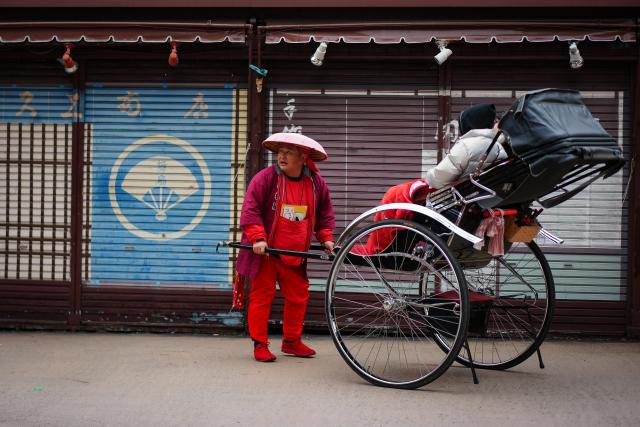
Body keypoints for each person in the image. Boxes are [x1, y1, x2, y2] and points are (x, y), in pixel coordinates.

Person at [352, 103, 507, 256]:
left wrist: (429, 176)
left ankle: (377, 247)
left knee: (394, 194)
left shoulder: (468, 145)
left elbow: (437, 180)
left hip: (451, 203)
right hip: (473, 201)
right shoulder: (498, 148)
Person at [236, 132, 336, 362]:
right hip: (266, 253)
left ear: (303, 157)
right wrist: (258, 238)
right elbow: (250, 210)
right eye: (280, 151)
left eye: (289, 152)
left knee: (299, 296)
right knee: (262, 296)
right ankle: (260, 344)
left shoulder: (316, 183)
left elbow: (324, 214)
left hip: (295, 253)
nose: (282, 155)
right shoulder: (265, 178)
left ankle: (291, 341)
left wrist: (326, 238)